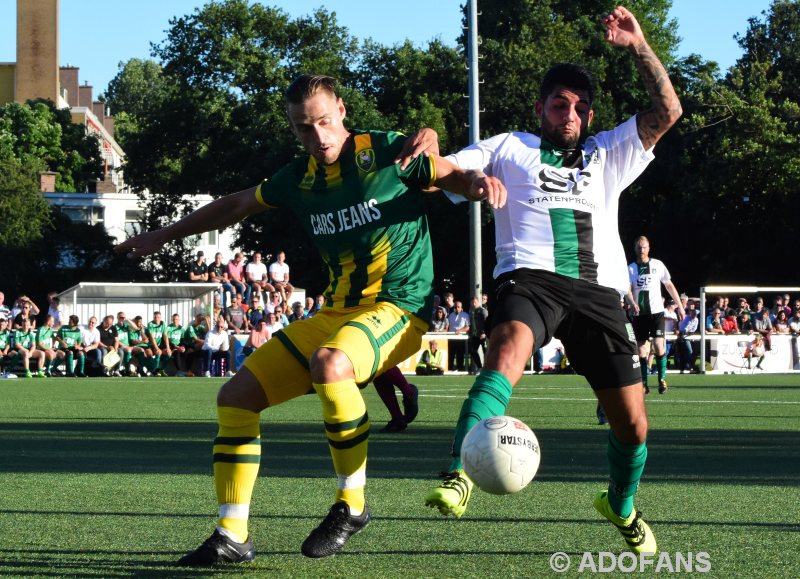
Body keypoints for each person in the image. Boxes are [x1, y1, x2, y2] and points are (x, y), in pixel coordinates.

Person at [116, 73, 504, 565]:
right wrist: (163, 234)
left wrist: (478, 185)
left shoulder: (385, 151)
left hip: (400, 307)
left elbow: (451, 175)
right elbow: (236, 204)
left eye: (323, 121)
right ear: (293, 130)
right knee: (236, 398)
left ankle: (352, 504)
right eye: (304, 127)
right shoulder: (297, 179)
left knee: (331, 364)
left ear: (342, 110)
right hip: (338, 312)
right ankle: (232, 533)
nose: (318, 136)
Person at [423, 7, 680, 557]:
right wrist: (472, 183)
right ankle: (458, 471)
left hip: (599, 294)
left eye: (580, 107)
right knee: (508, 350)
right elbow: (439, 171)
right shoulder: (509, 146)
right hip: (529, 279)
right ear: (540, 107)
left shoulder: (608, 150)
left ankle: (621, 503)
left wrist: (638, 46)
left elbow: (668, 110)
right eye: (560, 105)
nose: (571, 115)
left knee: (634, 427)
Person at [627, 236, 684, 394]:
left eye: (644, 247)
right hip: (640, 314)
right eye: (639, 247)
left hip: (656, 313)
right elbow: (627, 290)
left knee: (659, 346)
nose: (642, 250)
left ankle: (662, 379)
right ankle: (644, 382)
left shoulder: (657, 264)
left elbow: (669, 285)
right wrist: (632, 303)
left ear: (649, 248)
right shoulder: (630, 268)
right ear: (635, 249)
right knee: (641, 351)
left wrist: (680, 306)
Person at [446, 301, 470, 372]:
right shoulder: (451, 315)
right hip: (451, 337)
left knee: (460, 354)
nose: (457, 308)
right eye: (455, 307)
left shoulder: (465, 315)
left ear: (461, 308)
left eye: (458, 307)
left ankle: (460, 369)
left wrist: (460, 330)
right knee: (451, 354)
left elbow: (468, 327)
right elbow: (448, 326)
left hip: (461, 337)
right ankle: (450, 368)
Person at [146, 311, 171, 377]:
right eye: (155, 317)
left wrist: (168, 348)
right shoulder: (150, 324)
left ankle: (161, 370)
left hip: (160, 346)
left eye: (158, 317)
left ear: (160, 318)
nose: (157, 319)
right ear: (153, 318)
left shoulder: (163, 324)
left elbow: (165, 336)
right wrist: (157, 348)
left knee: (169, 353)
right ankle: (154, 371)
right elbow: (152, 337)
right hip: (152, 345)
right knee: (158, 352)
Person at [467, 295, 488, 374]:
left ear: (478, 302)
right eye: (472, 303)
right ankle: (480, 367)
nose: (473, 304)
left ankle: (488, 368)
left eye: (474, 302)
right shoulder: (473, 312)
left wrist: (485, 333)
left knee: (486, 352)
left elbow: (487, 322)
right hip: (476, 336)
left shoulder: (482, 311)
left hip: (483, 335)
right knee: (472, 350)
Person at [676, 308, 699, 373]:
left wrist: (689, 331)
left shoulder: (696, 319)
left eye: (694, 314)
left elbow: (694, 329)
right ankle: (688, 365)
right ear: (689, 314)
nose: (693, 316)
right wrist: (688, 331)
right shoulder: (686, 318)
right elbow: (684, 329)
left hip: (690, 336)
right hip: (683, 337)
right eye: (692, 314)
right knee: (689, 351)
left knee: (693, 352)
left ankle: (688, 365)